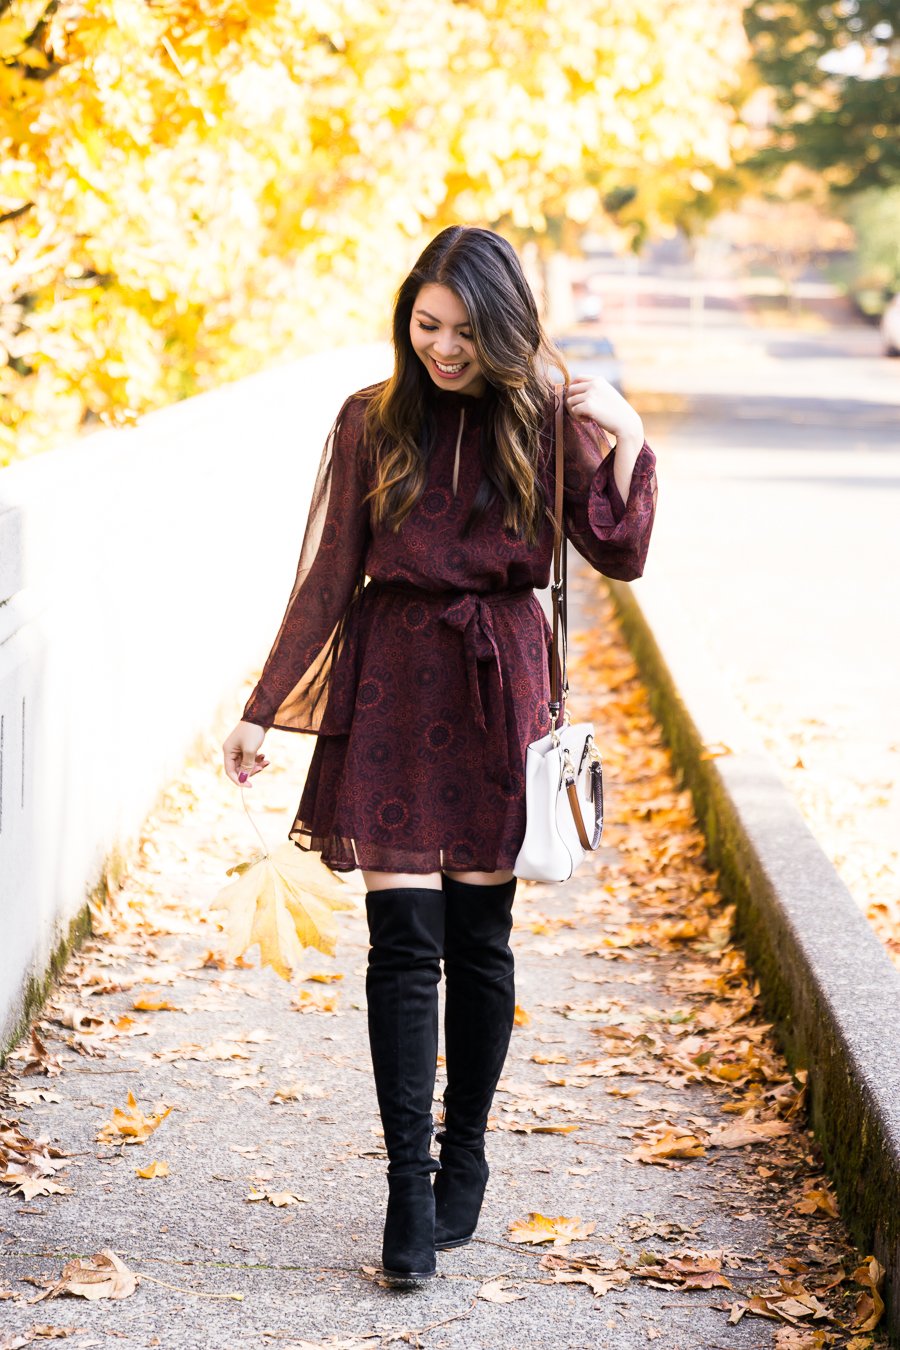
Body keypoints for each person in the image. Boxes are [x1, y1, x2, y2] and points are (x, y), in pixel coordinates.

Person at [222, 225, 657, 1282]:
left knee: (480, 939)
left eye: (465, 330)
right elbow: (329, 572)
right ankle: (407, 1196)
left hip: (498, 684)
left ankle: (466, 1158)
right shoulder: (370, 420)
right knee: (402, 946)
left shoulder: (549, 420)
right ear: (405, 318)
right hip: (390, 679)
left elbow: (622, 553)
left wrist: (631, 436)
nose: (444, 349)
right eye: (427, 325)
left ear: (504, 328)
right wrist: (262, 706)